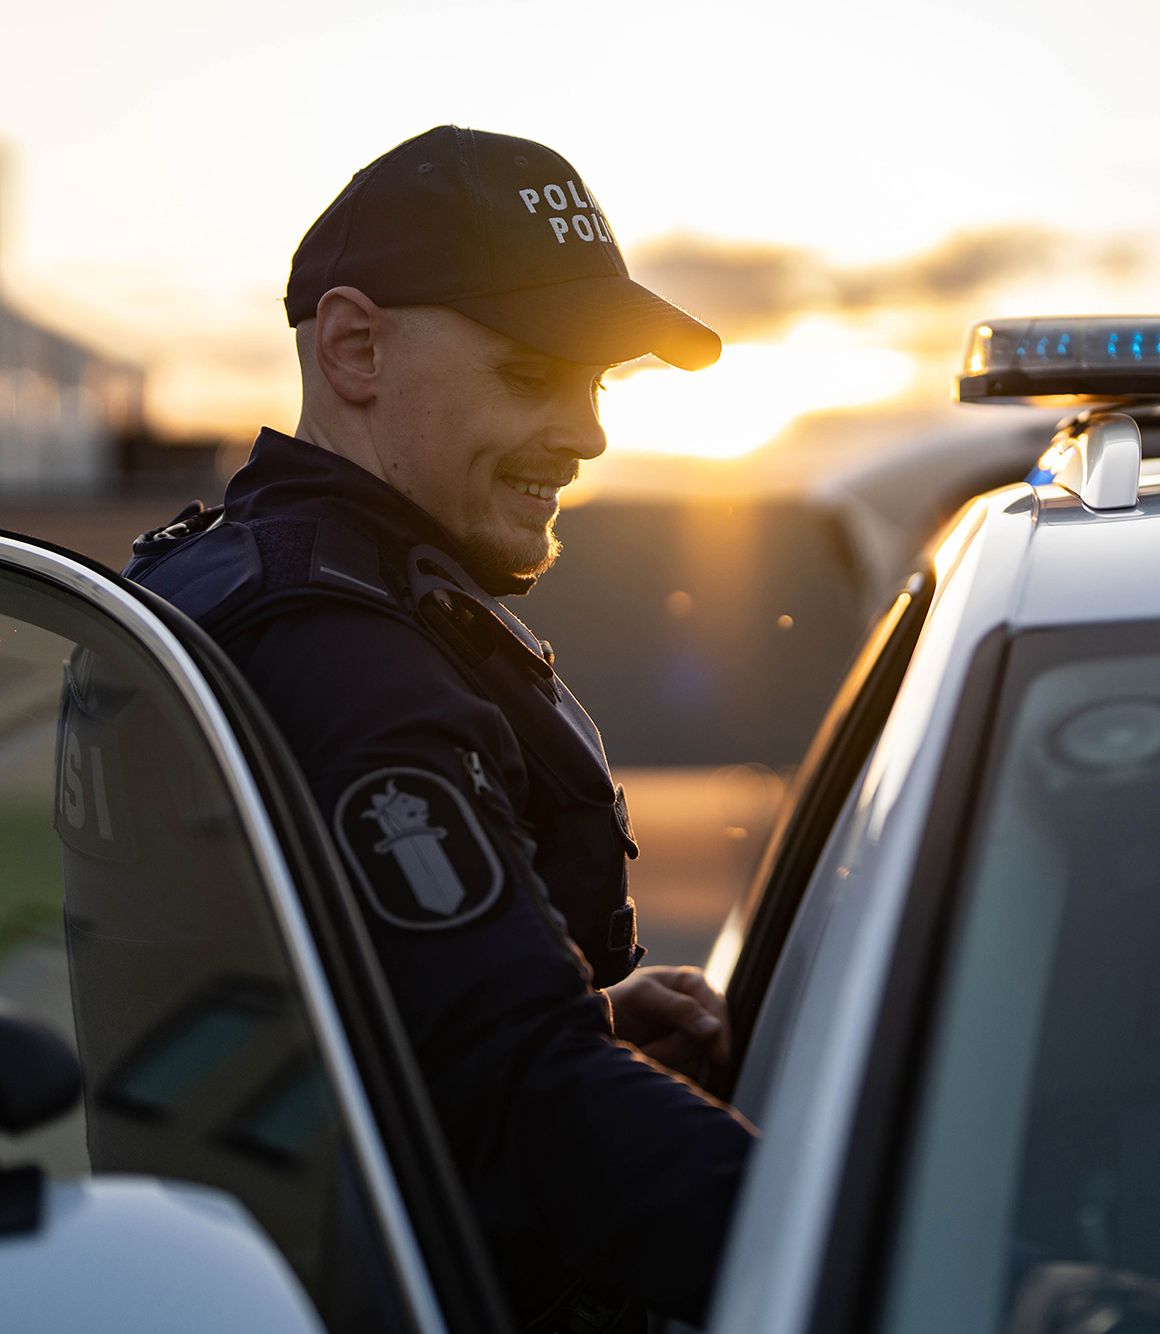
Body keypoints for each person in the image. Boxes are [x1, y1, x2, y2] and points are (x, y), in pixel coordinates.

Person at [122, 126, 754, 1328]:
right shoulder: (342, 653)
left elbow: (307, 1040)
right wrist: (897, 1254)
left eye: (598, 380)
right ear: (353, 347)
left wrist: (584, 1014)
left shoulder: (237, 579)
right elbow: (529, 1107)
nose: (589, 431)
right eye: (532, 374)